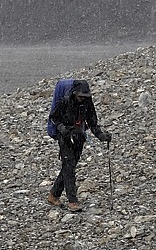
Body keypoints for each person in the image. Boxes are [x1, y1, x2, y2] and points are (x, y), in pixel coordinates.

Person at [46, 79, 111, 211]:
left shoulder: (87, 102)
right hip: (65, 136)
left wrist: (101, 136)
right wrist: (61, 128)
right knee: (69, 165)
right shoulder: (65, 100)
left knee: (69, 166)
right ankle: (72, 201)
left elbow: (92, 121)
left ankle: (54, 195)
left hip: (79, 136)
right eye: (81, 96)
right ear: (75, 93)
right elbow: (54, 117)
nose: (82, 99)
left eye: (85, 97)